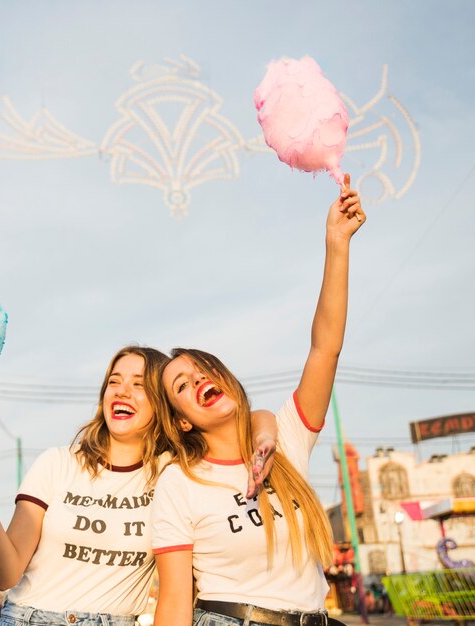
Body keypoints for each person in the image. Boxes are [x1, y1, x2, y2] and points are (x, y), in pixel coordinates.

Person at [152, 174, 366, 626]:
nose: (198, 380)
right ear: (183, 422)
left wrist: (337, 241)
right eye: (182, 386)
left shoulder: (286, 435)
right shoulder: (180, 482)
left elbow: (325, 347)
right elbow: (174, 600)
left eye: (202, 369)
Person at [0, 345, 278, 626]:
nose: (121, 391)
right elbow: (6, 573)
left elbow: (250, 418)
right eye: (114, 381)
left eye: (139, 385)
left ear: (163, 406)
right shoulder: (58, 463)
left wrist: (264, 435)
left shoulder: (174, 476)